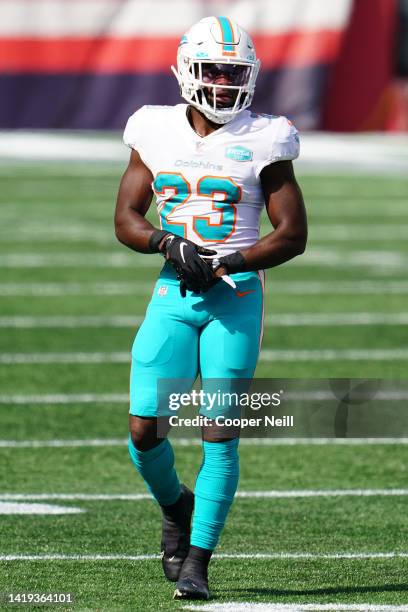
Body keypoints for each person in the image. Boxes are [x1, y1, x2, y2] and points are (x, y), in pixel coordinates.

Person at [114, 15, 307, 601]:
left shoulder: (268, 137)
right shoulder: (153, 128)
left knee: (218, 431)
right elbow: (126, 218)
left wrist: (232, 260)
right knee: (145, 427)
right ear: (185, 72)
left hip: (235, 298)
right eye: (213, 70)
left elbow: (293, 233)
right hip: (174, 292)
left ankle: (198, 561)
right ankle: (176, 507)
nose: (225, 83)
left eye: (235, 72)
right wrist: (166, 242)